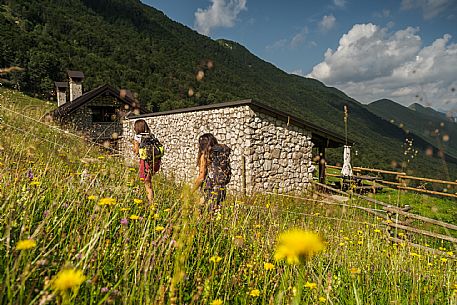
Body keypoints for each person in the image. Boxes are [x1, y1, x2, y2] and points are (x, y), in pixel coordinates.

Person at [193, 133, 231, 212]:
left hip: (210, 190)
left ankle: (200, 224)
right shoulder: (221, 154)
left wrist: (190, 191)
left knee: (201, 212)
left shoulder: (206, 155)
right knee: (215, 213)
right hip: (221, 189)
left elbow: (201, 177)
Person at [132, 119, 161, 205]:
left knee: (147, 183)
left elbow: (136, 151)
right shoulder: (151, 136)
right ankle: (150, 201)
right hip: (155, 162)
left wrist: (134, 147)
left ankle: (151, 203)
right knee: (149, 181)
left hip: (146, 163)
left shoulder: (137, 137)